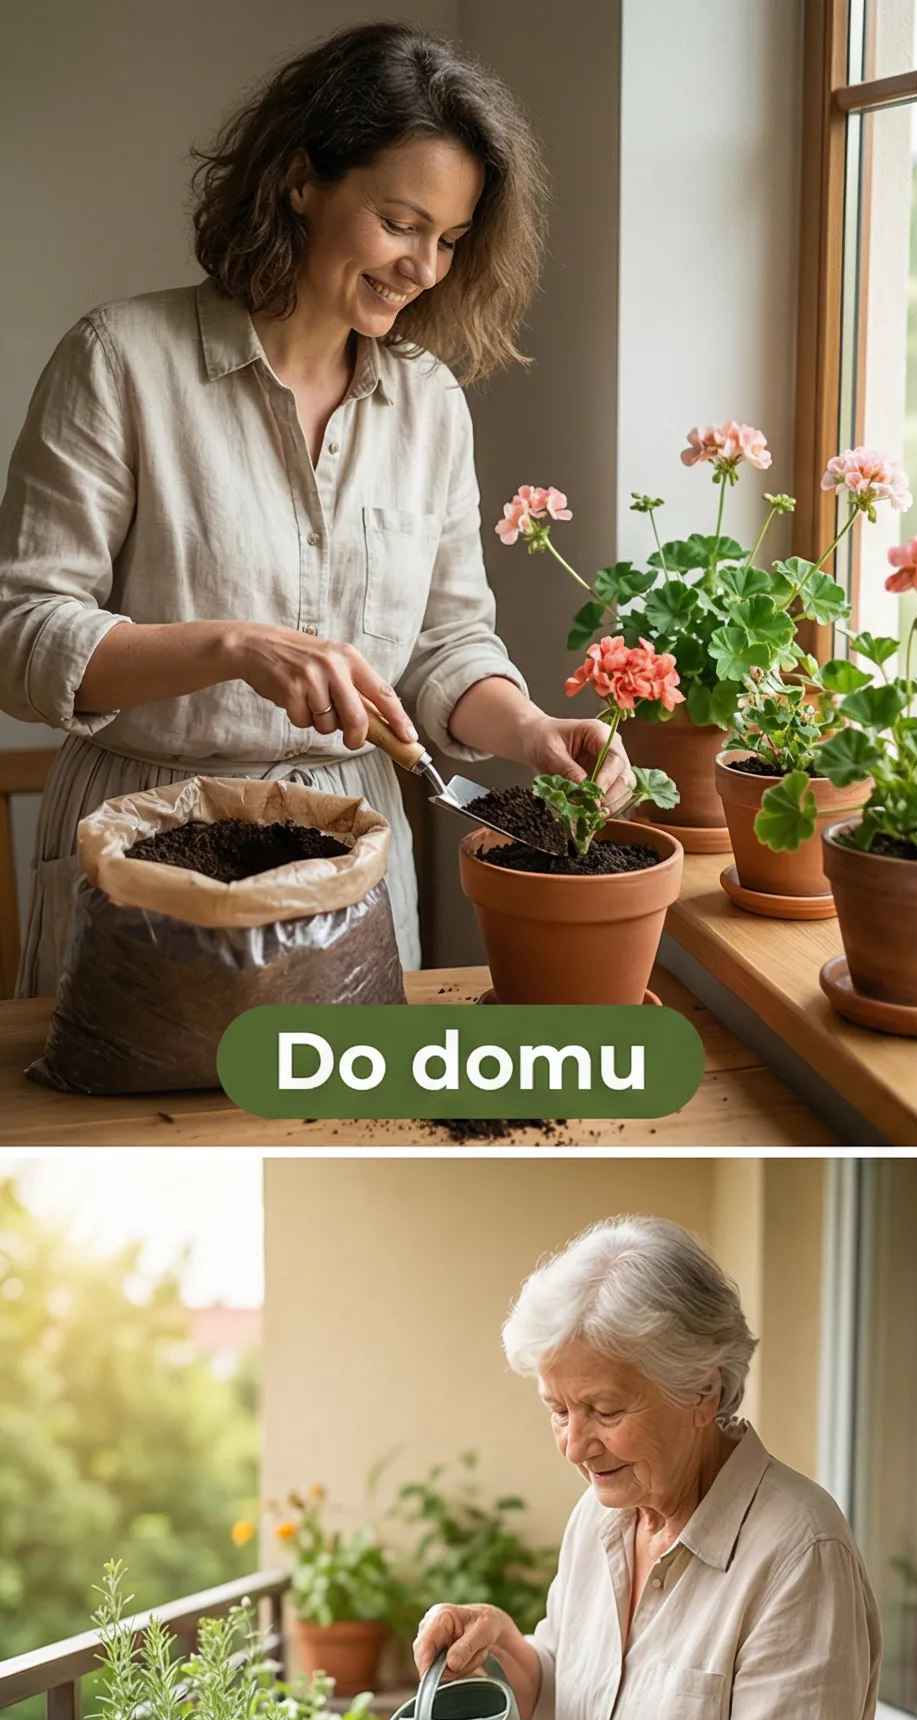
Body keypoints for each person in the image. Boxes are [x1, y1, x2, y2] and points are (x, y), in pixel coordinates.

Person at [0, 22, 631, 994]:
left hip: (356, 856)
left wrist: (529, 732)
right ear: (301, 180)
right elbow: (21, 636)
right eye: (401, 222)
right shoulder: (120, 362)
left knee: (342, 1095)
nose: (425, 267)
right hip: (146, 845)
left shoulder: (428, 403)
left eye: (450, 240)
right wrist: (234, 647)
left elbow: (445, 645)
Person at [414, 1215, 883, 1720]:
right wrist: (508, 1653)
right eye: (557, 1408)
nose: (574, 1443)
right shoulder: (600, 1519)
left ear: (703, 1390)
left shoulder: (797, 1548)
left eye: (603, 1408)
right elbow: (583, 1688)